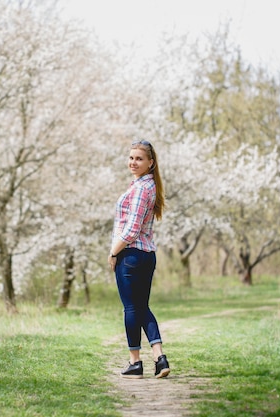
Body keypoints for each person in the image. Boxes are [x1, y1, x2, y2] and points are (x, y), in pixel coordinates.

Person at [108, 139, 170, 379]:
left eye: (139, 159)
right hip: (147, 255)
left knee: (132, 308)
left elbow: (131, 229)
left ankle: (135, 362)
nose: (133, 162)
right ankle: (159, 357)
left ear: (150, 163)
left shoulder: (140, 188)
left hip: (131, 255)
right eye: (131, 157)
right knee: (142, 307)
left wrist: (114, 252)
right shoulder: (150, 186)